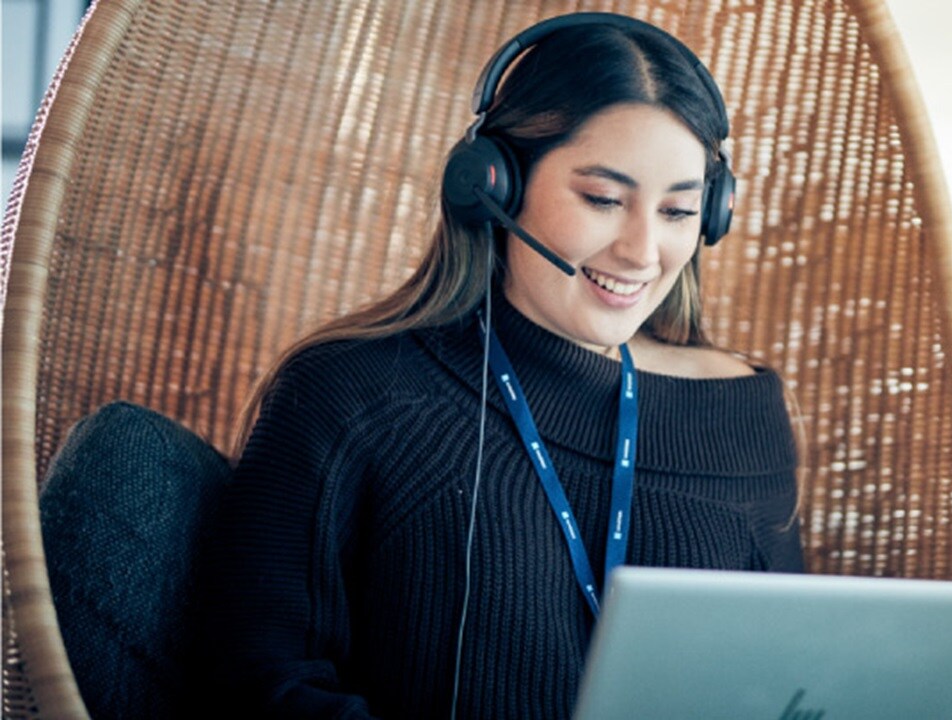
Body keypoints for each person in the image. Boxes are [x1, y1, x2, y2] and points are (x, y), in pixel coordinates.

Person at [198, 12, 803, 719]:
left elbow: (789, 687)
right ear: (493, 186)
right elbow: (258, 686)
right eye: (604, 200)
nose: (644, 252)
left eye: (677, 211)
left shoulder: (742, 413)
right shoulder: (349, 393)